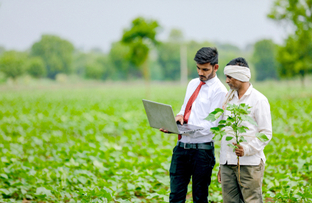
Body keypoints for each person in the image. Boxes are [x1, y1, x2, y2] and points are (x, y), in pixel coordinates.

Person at [160, 47, 227, 203]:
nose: (200, 73)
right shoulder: (192, 84)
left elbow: (212, 124)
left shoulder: (220, 91)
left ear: (215, 67)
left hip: (202, 152)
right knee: (175, 197)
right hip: (181, 148)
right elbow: (185, 109)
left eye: (205, 69)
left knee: (199, 198)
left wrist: (187, 129)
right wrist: (177, 119)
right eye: (198, 68)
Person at [218, 57, 272, 203]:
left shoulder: (258, 100)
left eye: (229, 77)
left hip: (250, 163)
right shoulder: (228, 99)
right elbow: (226, 132)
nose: (227, 81)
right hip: (228, 164)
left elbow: (266, 133)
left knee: (252, 201)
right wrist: (221, 165)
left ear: (241, 76)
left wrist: (247, 149)